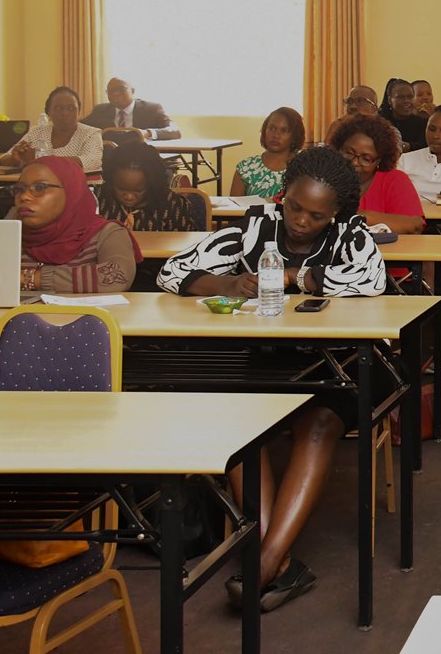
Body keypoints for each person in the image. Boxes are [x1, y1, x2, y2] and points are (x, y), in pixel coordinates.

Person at [157, 147, 386, 611]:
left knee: (317, 425)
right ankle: (276, 564)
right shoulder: (254, 226)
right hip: (267, 361)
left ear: (336, 212)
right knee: (243, 425)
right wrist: (226, 284)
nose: (301, 221)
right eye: (295, 207)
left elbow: (369, 281)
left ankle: (261, 563)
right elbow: (171, 272)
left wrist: (294, 277)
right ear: (284, 195)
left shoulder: (351, 233)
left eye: (316, 215)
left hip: (344, 364)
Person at [13, 156, 139, 294]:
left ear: (72, 191)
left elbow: (117, 277)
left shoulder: (107, 233)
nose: (24, 196)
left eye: (39, 188)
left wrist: (30, 278)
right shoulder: (11, 234)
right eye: (20, 189)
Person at [97, 136, 200, 288]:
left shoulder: (172, 204)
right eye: (121, 189)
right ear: (111, 181)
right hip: (106, 280)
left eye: (138, 190)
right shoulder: (99, 200)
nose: (129, 196)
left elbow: (186, 253)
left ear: (152, 184)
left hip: (158, 280)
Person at [327, 115, 424, 236]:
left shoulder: (393, 180)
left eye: (366, 159)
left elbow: (414, 225)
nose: (354, 162)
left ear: (379, 161)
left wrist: (358, 217)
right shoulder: (325, 177)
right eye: (348, 153)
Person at [1, 87, 104, 172]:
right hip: (39, 185)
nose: (65, 113)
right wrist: (15, 158)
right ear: (48, 112)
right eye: (58, 108)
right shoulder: (36, 132)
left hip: (79, 186)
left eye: (71, 108)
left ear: (79, 111)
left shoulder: (91, 133)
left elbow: (91, 161)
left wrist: (39, 160)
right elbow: (3, 160)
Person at [231, 107, 305, 200]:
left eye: (284, 131)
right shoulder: (246, 168)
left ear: (294, 136)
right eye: (272, 128)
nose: (276, 135)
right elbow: (234, 207)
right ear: (264, 130)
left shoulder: (303, 167)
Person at [81, 77, 181, 140]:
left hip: (144, 159)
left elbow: (175, 131)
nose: (115, 93)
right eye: (111, 91)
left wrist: (148, 133)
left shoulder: (152, 109)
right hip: (110, 160)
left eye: (121, 89)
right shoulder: (100, 111)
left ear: (132, 91)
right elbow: (78, 127)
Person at [378, 79, 427, 154]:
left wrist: (409, 146)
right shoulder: (380, 123)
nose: (406, 101)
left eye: (410, 97)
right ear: (390, 100)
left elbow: (427, 147)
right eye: (400, 97)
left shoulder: (423, 124)